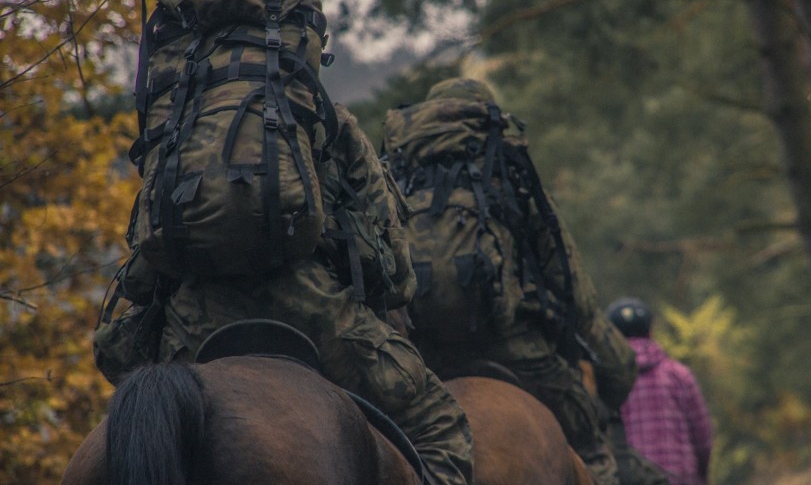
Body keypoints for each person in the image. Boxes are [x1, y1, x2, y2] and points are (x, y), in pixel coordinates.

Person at [154, 104, 474, 485]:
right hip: (313, 310)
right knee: (439, 425)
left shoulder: (176, 118)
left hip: (194, 322)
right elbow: (392, 269)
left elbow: (143, 264)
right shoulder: (326, 116)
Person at [383, 77, 638, 485]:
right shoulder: (505, 172)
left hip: (425, 356)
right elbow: (571, 286)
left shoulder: (395, 181)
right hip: (511, 346)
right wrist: (617, 366)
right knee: (590, 444)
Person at [606, 298, 713, 485]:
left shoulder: (607, 381)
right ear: (650, 331)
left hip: (628, 479)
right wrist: (702, 474)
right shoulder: (678, 374)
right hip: (680, 478)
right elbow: (702, 435)